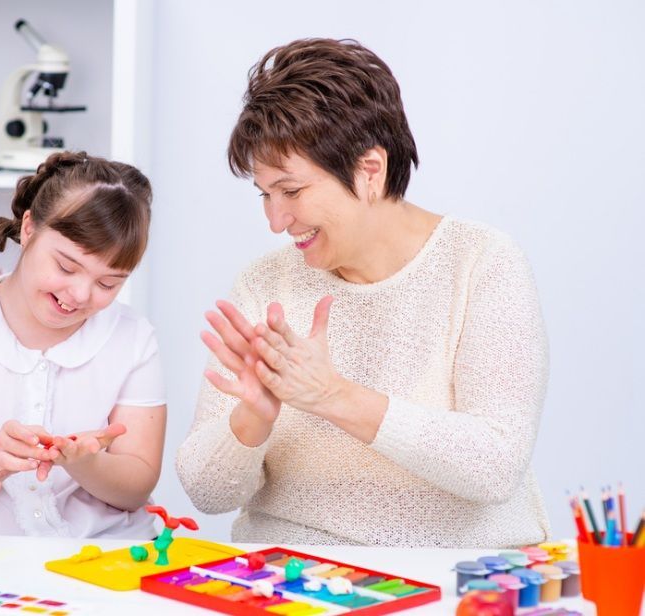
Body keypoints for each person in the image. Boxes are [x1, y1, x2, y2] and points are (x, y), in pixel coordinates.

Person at [176, 39, 550, 548]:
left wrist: (333, 397)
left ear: (369, 170)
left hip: (458, 572)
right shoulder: (267, 283)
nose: (275, 220)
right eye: (265, 195)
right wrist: (252, 419)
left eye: (292, 191)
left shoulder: (481, 263)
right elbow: (207, 492)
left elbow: (494, 465)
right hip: (296, 571)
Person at [0, 151, 167, 538]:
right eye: (66, 266)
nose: (79, 294)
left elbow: (137, 487)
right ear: (28, 228)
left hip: (104, 561)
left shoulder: (132, 338)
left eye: (108, 283)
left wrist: (83, 463)